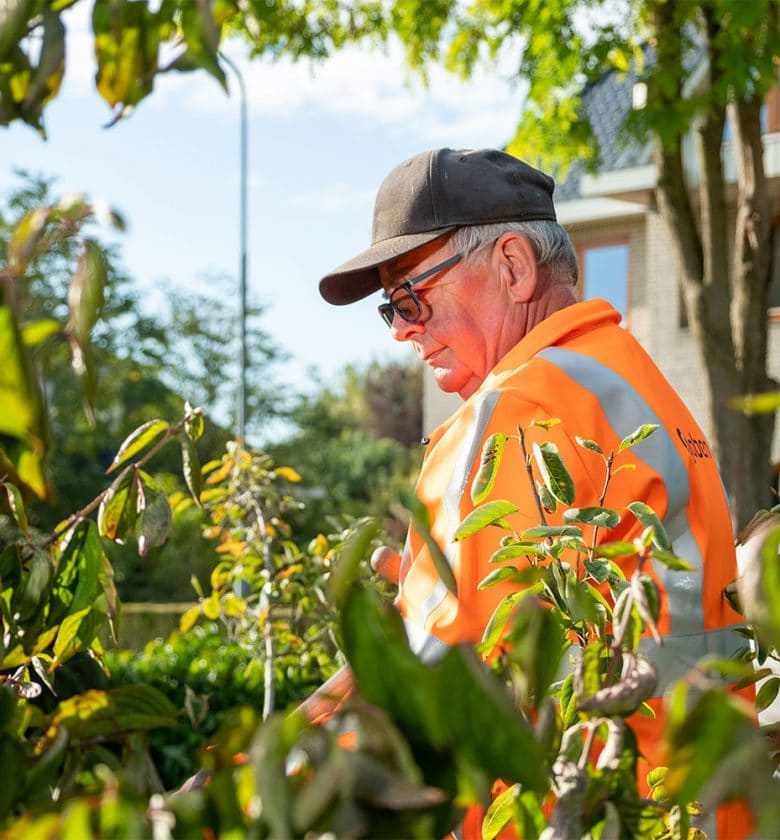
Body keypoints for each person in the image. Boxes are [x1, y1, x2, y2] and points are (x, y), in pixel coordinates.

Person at [313, 147, 749, 838]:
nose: (402, 331)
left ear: (513, 265)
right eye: (388, 312)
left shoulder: (515, 408)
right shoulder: (640, 386)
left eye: (408, 297)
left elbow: (425, 694)